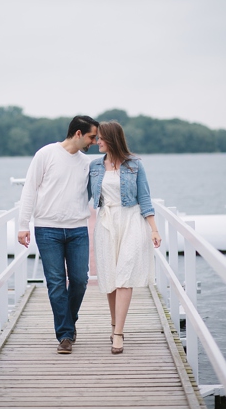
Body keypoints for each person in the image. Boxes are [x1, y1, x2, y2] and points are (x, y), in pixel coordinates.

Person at [18, 115, 99, 354]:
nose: (94, 141)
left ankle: (68, 322)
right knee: (55, 283)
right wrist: (23, 224)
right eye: (91, 136)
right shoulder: (46, 154)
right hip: (47, 228)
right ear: (77, 134)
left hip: (77, 229)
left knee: (80, 280)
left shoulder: (88, 163)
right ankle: (65, 335)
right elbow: (30, 189)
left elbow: (100, 191)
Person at [88, 121, 162, 355]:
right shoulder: (95, 166)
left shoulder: (134, 165)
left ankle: (118, 333)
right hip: (106, 222)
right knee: (110, 278)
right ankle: (114, 325)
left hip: (131, 220)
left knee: (124, 276)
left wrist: (154, 229)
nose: (97, 142)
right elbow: (82, 196)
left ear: (111, 138)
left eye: (100, 138)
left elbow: (145, 197)